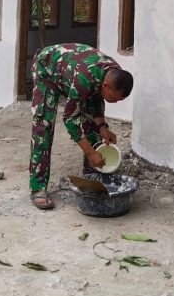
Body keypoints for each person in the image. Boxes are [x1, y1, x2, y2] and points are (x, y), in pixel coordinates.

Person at [28, 43, 133, 210]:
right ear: (106, 86)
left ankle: (91, 175)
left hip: (72, 72)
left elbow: (96, 98)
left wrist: (103, 127)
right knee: (44, 126)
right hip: (47, 68)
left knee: (93, 125)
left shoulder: (115, 74)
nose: (116, 102)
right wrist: (90, 152)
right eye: (115, 98)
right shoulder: (83, 79)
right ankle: (38, 188)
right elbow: (70, 118)